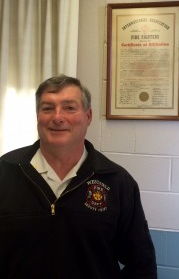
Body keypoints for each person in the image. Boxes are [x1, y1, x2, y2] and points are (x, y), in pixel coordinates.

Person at [0, 75, 157, 278]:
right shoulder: (5, 171)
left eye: (69, 108)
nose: (57, 117)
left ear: (88, 116)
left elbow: (141, 264)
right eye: (47, 108)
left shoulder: (117, 181)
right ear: (37, 115)